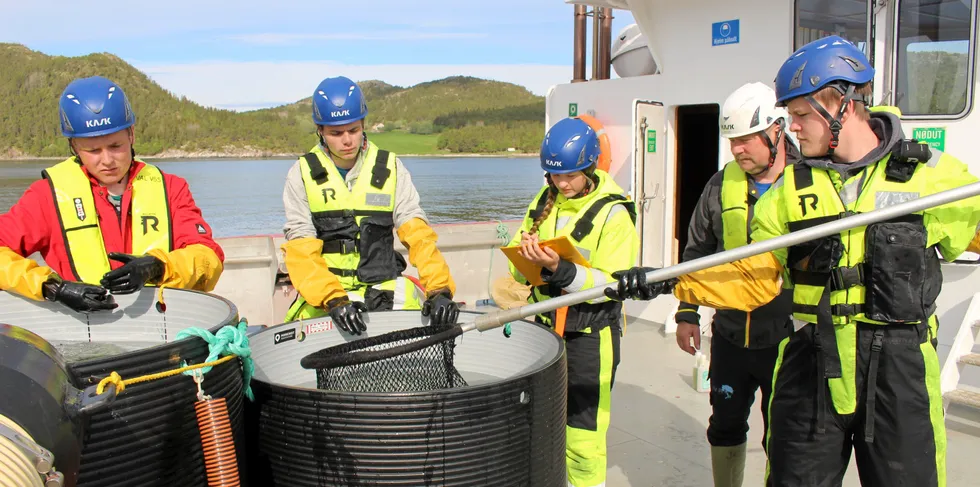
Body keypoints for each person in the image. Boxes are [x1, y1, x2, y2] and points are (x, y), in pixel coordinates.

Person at [608, 35, 980, 487]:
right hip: (811, 362)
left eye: (801, 115)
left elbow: (972, 235)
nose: (794, 128)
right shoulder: (790, 190)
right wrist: (670, 284)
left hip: (899, 371)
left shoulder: (935, 176)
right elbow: (753, 278)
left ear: (842, 104)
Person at [0, 76, 225, 313]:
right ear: (74, 147)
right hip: (83, 332)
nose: (107, 160)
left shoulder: (172, 188)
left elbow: (209, 259)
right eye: (93, 150)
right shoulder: (46, 196)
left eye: (116, 146)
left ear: (132, 135)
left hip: (163, 326)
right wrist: (53, 288)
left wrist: (158, 266)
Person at [672, 82, 797, 487]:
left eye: (746, 140)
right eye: (732, 141)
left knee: (786, 435)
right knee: (724, 425)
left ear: (776, 131)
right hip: (728, 334)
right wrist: (687, 313)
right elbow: (697, 251)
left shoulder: (810, 182)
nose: (737, 150)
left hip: (789, 339)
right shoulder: (719, 185)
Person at [508, 117, 639, 487]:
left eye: (571, 176)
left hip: (590, 338)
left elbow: (615, 285)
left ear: (591, 167)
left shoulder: (614, 214)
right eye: (554, 176)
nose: (562, 184)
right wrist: (525, 263)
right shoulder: (543, 200)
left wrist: (557, 268)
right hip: (546, 331)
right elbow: (520, 270)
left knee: (583, 437)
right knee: (544, 426)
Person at [281, 76, 458, 334]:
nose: (347, 140)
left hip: (384, 287)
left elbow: (418, 235)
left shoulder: (390, 167)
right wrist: (334, 299)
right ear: (320, 131)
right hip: (329, 295)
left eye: (353, 130)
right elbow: (300, 249)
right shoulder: (301, 174)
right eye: (336, 133)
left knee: (428, 323)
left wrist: (439, 288)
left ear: (364, 124)